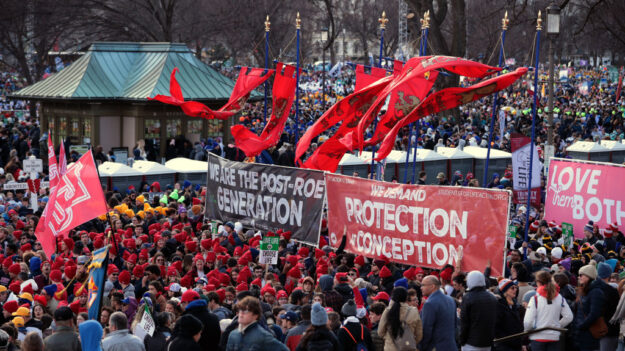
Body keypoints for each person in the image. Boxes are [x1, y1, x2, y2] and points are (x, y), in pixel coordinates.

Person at [522, 271, 573, 351]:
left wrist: (527, 331)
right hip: (554, 337)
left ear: (538, 282)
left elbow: (528, 322)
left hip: (537, 337)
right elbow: (569, 317)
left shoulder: (535, 299)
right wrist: (556, 326)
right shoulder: (560, 297)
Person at [460, 271, 497, 351]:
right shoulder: (493, 298)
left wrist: (462, 340)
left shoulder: (468, 298)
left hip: (471, 343)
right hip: (487, 342)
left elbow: (464, 322)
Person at [419, 275, 457, 351]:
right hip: (451, 346)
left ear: (432, 286)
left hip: (436, 347)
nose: (421, 287)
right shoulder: (450, 299)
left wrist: (421, 347)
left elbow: (426, 330)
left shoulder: (429, 303)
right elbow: (455, 324)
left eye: (423, 285)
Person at [573, 263, 606, 351]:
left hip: (588, 334)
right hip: (580, 333)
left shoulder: (596, 292)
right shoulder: (584, 290)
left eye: (581, 275)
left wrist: (581, 326)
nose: (579, 277)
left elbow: (594, 313)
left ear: (589, 276)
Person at [378, 286, 423, 351]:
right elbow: (419, 334)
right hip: (408, 347)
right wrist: (410, 342)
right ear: (406, 298)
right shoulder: (414, 311)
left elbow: (380, 332)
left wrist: (389, 339)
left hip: (390, 348)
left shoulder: (388, 311)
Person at [494, 279, 523, 351]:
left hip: (516, 344)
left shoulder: (514, 305)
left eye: (516, 287)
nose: (515, 290)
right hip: (504, 345)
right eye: (512, 288)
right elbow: (496, 328)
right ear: (505, 291)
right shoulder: (499, 305)